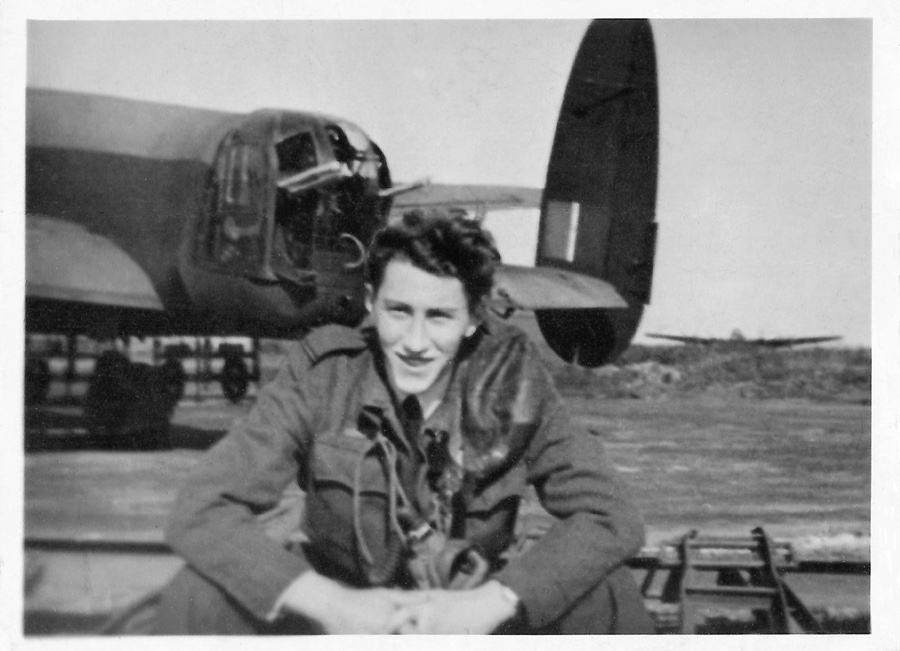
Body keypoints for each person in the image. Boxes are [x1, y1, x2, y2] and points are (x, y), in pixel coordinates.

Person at [154, 210, 655, 635]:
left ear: (474, 317)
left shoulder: (516, 386)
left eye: (438, 317)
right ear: (371, 302)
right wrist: (329, 603)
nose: (414, 343)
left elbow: (613, 518)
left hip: (464, 607)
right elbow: (201, 509)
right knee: (198, 594)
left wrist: (489, 604)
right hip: (343, 604)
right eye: (398, 311)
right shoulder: (325, 373)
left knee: (608, 595)